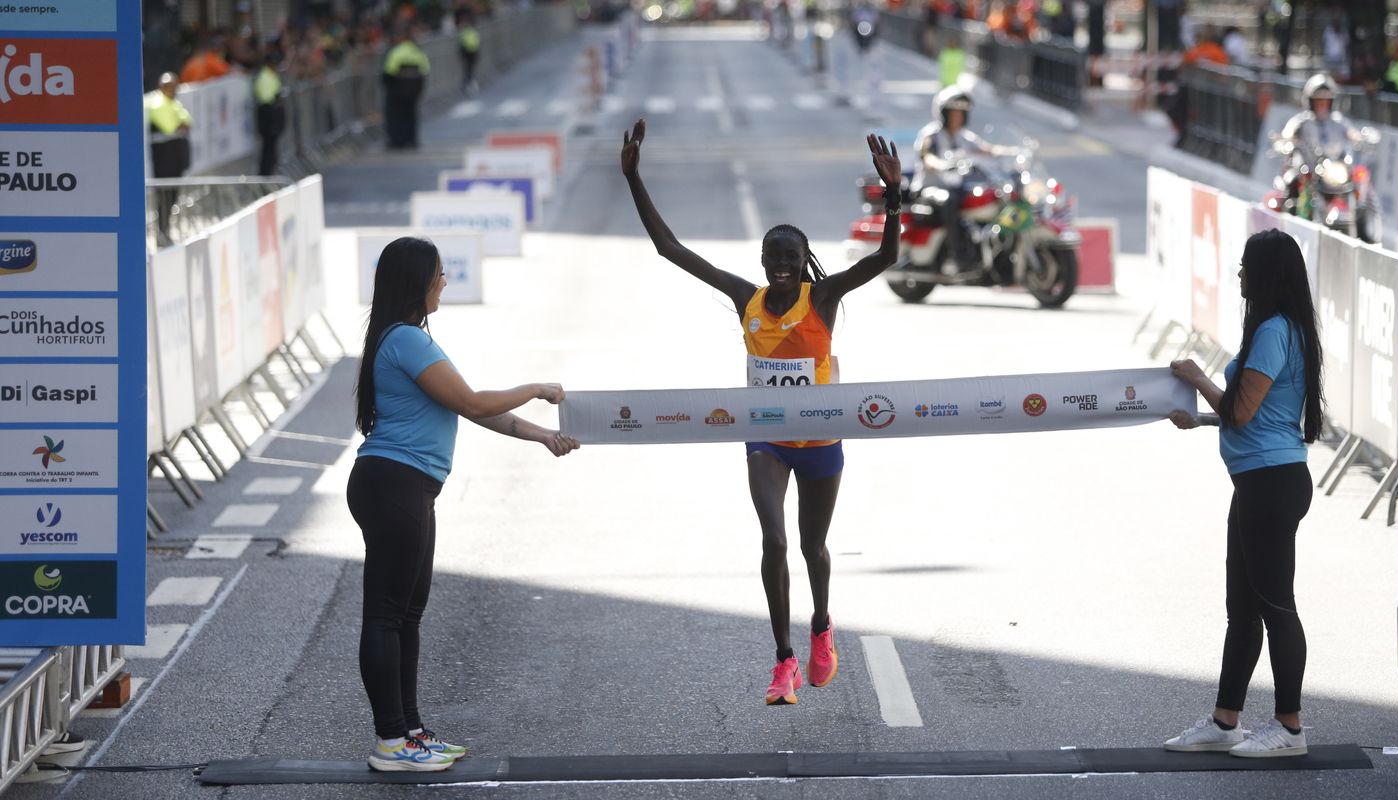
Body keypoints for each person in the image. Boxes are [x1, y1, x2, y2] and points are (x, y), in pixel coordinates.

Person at [620, 119, 902, 706]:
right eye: (772, 256)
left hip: (820, 440)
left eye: (790, 258)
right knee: (773, 540)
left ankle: (822, 625)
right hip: (766, 440)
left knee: (811, 548)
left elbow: (887, 256)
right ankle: (783, 661)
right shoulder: (744, 297)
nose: (779, 265)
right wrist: (633, 178)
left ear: (803, 264)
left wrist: (893, 195)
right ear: (763, 259)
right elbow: (670, 249)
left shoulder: (820, 298)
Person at [349, 236, 578, 772]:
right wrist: (536, 387)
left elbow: (471, 410)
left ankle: (410, 732)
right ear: (417, 281)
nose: (445, 280)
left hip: (407, 487)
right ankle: (391, 742)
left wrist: (542, 435)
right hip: (394, 485)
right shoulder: (405, 339)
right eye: (439, 273)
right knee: (387, 615)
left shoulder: (402, 338)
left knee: (407, 615)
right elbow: (475, 401)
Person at [1163, 228, 1325, 759]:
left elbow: (1242, 410)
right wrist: (1202, 419)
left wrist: (1198, 377)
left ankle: (1290, 729)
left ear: (1264, 275)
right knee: (1242, 609)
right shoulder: (1281, 327)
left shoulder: (1275, 331)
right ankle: (1225, 720)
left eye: (1244, 267)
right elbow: (1253, 416)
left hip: (1272, 484)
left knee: (1277, 606)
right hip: (1260, 480)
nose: (1238, 275)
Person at [912, 86, 1022, 270]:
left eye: (961, 113)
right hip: (929, 190)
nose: (957, 117)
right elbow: (927, 157)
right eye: (953, 113)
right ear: (943, 114)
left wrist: (1015, 152)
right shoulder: (930, 135)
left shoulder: (964, 137)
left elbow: (987, 149)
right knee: (949, 201)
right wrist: (941, 164)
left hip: (956, 187)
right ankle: (959, 256)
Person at [145, 73, 192, 241]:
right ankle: (161, 232)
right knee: (164, 197)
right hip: (164, 160)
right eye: (169, 86)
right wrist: (180, 125)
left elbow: (187, 122)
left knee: (172, 196)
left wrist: (181, 125)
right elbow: (171, 127)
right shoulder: (157, 103)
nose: (172, 90)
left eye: (174, 86)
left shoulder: (173, 102)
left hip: (175, 159)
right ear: (161, 87)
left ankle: (165, 230)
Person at [382, 23, 430, 150]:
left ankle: (397, 141)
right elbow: (425, 69)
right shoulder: (417, 50)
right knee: (411, 115)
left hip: (397, 90)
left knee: (395, 115)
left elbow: (389, 71)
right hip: (413, 89)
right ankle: (412, 140)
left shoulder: (397, 51)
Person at [255, 49, 286, 176]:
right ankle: (265, 178)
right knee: (268, 151)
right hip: (268, 118)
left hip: (271, 117)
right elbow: (267, 101)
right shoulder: (265, 77)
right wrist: (273, 121)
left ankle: (269, 176)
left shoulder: (270, 75)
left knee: (271, 150)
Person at [456, 9, 481, 95]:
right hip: (467, 53)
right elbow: (461, 43)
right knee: (467, 70)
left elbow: (476, 41)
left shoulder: (472, 29)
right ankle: (467, 85)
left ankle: (469, 84)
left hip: (473, 52)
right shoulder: (464, 30)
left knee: (470, 70)